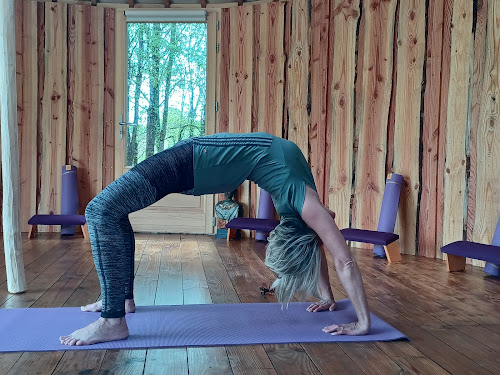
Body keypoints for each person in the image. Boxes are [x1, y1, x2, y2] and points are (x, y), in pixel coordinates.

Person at [60, 132, 370, 346]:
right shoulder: (306, 209)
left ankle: (113, 320)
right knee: (108, 211)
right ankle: (121, 301)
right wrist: (329, 298)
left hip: (199, 161)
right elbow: (333, 251)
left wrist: (361, 321)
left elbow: (332, 250)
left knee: (100, 210)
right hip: (200, 159)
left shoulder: (305, 209)